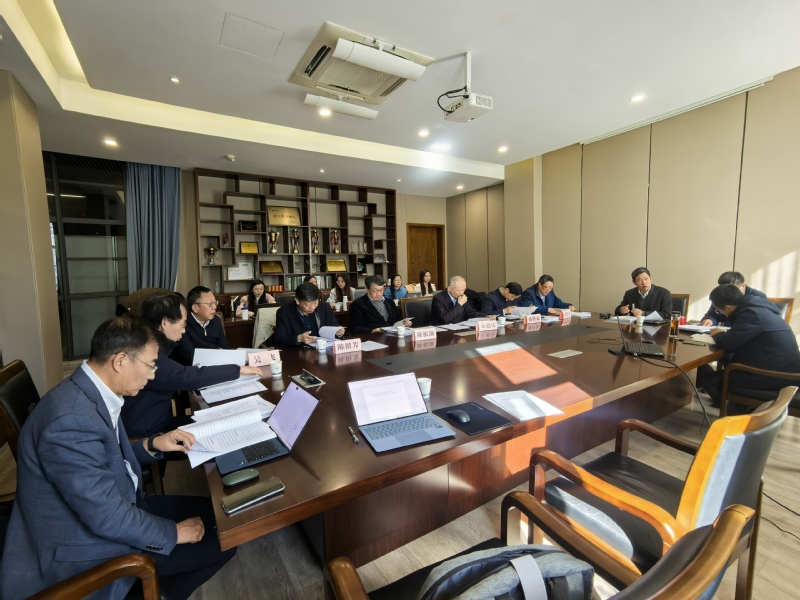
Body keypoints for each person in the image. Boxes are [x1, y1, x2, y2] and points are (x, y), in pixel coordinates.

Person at [1, 317, 236, 600]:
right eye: (151, 365)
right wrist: (173, 533)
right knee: (224, 540)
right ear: (120, 361)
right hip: (85, 546)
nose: (153, 375)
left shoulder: (87, 391)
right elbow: (106, 517)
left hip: (122, 504)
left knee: (224, 516)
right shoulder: (70, 420)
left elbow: (102, 462)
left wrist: (151, 444)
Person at [121, 294, 263, 438]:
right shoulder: (148, 352)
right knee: (221, 428)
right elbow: (184, 376)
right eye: (183, 325)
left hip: (151, 418)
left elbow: (171, 376)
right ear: (165, 323)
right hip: (146, 429)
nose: (184, 331)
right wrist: (238, 370)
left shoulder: (149, 342)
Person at [696, 284, 800, 410]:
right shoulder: (757, 307)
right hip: (783, 369)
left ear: (728, 307)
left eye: (719, 311)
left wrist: (717, 334)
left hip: (778, 376)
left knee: (709, 381)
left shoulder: (752, 315)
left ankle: (740, 415)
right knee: (723, 367)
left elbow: (727, 343)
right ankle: (740, 406)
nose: (720, 313)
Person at [270, 282, 344, 346]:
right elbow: (278, 338)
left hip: (323, 348)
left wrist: (338, 331)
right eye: (307, 305)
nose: (312, 307)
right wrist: (299, 338)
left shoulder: (325, 307)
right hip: (297, 352)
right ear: (297, 301)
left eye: (315, 303)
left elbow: (334, 325)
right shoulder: (284, 312)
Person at [172, 285, 230, 366]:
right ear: (195, 308)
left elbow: (225, 347)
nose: (214, 307)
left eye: (215, 302)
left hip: (216, 364)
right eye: (210, 304)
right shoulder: (183, 324)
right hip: (191, 368)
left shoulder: (216, 320)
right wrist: (217, 350)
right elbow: (190, 355)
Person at [700, 271, 768, 326]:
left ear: (743, 286)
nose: (727, 292)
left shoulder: (757, 297)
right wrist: (709, 320)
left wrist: (726, 324)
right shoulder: (721, 294)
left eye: (732, 289)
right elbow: (712, 314)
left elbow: (753, 321)